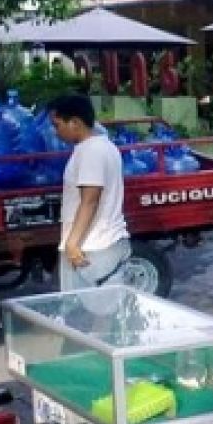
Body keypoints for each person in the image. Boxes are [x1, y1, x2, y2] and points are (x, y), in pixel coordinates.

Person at [49, 94, 130, 291]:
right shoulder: (103, 146)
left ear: (75, 123)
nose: (55, 132)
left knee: (87, 315)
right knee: (100, 316)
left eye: (58, 125)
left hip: (93, 247)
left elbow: (90, 200)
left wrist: (72, 244)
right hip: (102, 243)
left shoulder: (90, 152)